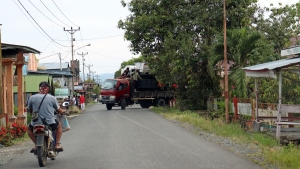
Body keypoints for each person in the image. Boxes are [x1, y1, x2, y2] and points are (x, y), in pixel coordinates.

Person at [27, 81, 65, 153]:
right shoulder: (52, 98)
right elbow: (59, 110)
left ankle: (36, 145)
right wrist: (63, 111)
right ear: (48, 89)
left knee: (29, 129)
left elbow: (30, 110)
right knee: (59, 126)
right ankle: (57, 145)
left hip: (35, 123)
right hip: (50, 123)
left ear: (39, 88)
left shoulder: (32, 97)